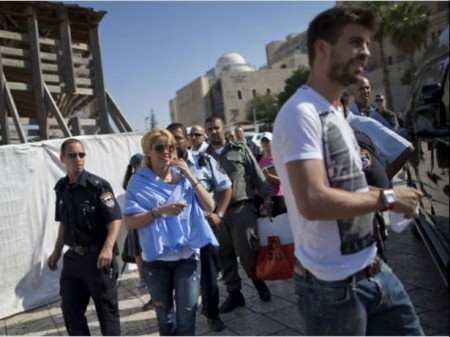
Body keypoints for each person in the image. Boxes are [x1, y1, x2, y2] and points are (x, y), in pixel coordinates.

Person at [271, 7, 424, 336]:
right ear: (322, 49)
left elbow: (347, 188)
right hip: (332, 291)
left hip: (375, 271)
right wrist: (387, 197)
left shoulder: (336, 113)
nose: (366, 52)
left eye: (367, 43)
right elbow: (313, 201)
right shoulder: (301, 113)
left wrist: (395, 198)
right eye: (355, 42)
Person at [123, 128, 217, 336]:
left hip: (187, 258)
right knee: (166, 321)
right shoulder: (138, 182)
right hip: (156, 263)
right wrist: (159, 211)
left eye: (171, 147)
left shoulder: (183, 177)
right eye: (160, 148)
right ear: (148, 151)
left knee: (187, 319)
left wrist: (190, 175)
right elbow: (129, 222)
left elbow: (210, 206)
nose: (166, 152)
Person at [47, 138, 122, 336]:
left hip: (97, 258)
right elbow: (63, 223)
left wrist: (107, 248)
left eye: (81, 154)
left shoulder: (98, 186)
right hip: (73, 260)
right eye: (72, 155)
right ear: (62, 158)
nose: (78, 159)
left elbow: (115, 220)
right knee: (70, 311)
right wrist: (56, 252)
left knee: (107, 312)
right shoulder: (61, 189)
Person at [167, 122, 232, 332]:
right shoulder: (160, 166)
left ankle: (212, 313)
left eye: (178, 137)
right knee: (178, 275)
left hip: (204, 226)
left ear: (186, 140)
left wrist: (219, 214)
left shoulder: (205, 161)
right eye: (170, 138)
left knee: (209, 273)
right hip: (176, 230)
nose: (174, 142)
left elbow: (226, 187)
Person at [205, 116, 272, 313]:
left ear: (223, 128)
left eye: (216, 128)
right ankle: (235, 294)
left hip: (241, 208)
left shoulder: (240, 149)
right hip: (217, 214)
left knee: (247, 252)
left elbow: (256, 174)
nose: (213, 132)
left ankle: (258, 282)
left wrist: (267, 199)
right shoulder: (203, 156)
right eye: (209, 129)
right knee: (224, 255)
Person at [122, 153, 146, 289]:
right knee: (138, 251)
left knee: (139, 251)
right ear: (136, 165)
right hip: (139, 218)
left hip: (138, 217)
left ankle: (144, 277)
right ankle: (143, 278)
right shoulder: (135, 179)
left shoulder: (131, 179)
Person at [257, 132, 287, 217]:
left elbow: (281, 180)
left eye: (268, 141)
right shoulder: (258, 159)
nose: (266, 143)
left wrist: (268, 176)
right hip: (262, 197)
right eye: (263, 141)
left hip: (277, 196)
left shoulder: (278, 159)